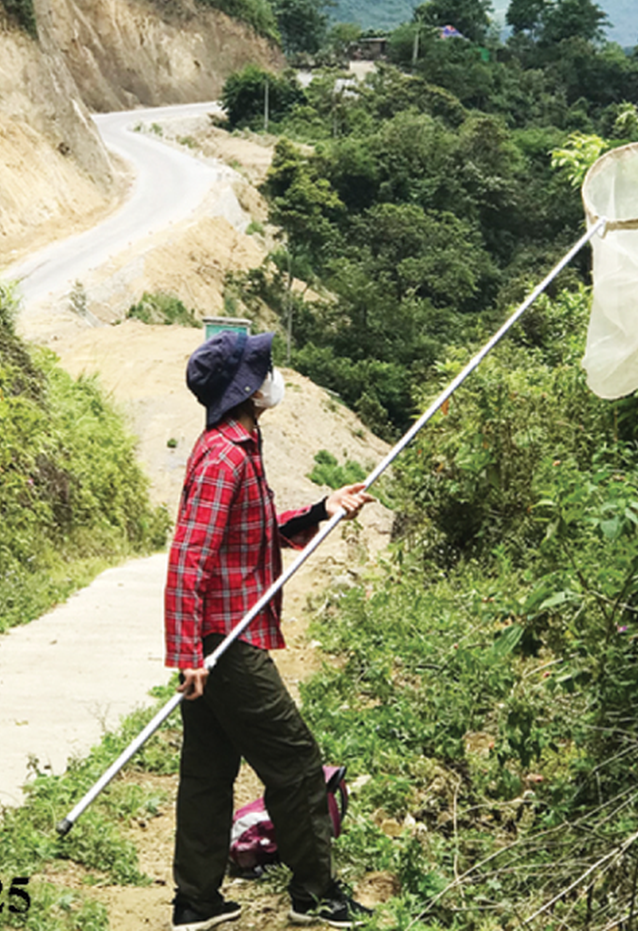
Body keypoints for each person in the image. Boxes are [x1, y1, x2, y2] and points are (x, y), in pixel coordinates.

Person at [165, 328, 374, 931]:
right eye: (264, 369)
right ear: (249, 390)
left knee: (208, 772)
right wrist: (188, 654)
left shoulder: (238, 444)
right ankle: (315, 894)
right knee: (298, 763)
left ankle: (197, 901)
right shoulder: (225, 456)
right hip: (223, 646)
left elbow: (255, 533)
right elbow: (188, 560)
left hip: (216, 641)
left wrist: (321, 509)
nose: (273, 376)